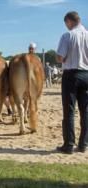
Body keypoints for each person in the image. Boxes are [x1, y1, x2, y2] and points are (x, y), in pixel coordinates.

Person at [56, 11, 88, 154]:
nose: (66, 26)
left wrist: (62, 57)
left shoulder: (67, 35)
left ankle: (68, 144)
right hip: (86, 74)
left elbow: (60, 58)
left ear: (69, 21)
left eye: (66, 23)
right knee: (85, 111)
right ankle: (83, 144)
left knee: (69, 111)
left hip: (71, 75)